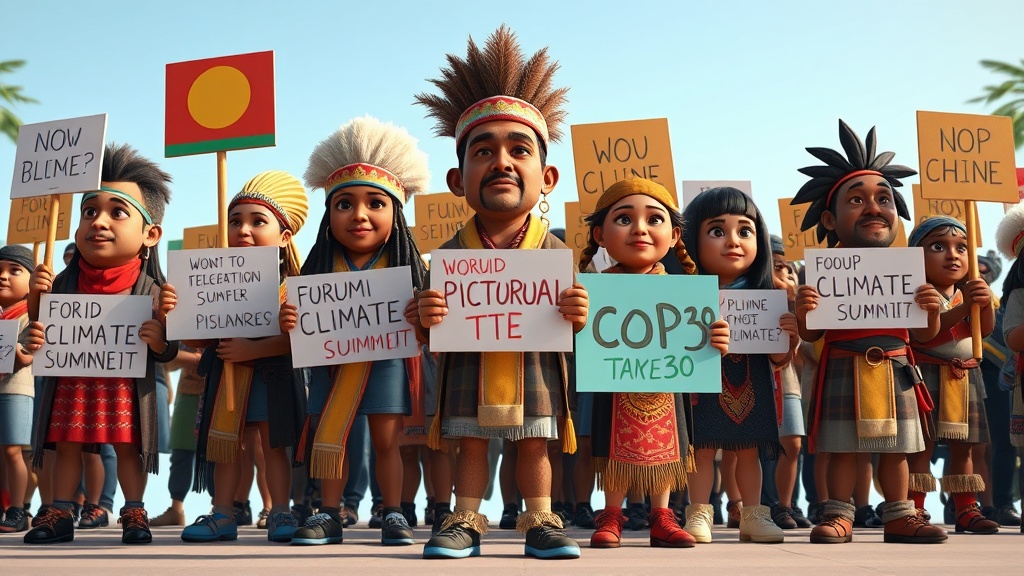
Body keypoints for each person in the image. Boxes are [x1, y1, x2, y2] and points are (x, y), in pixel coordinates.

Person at [411, 26, 589, 560]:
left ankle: (540, 517)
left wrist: (579, 313)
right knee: (470, 442)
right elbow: (427, 330)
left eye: (519, 150)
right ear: (457, 180)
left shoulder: (557, 252)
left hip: (535, 366)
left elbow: (578, 327)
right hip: (470, 364)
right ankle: (465, 516)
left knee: (534, 443)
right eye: (484, 151)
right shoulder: (447, 255)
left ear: (548, 177)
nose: (502, 162)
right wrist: (425, 314)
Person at [791, 120, 947, 544]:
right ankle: (840, 514)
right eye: (857, 200)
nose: (874, 209)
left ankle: (899, 515)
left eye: (884, 199)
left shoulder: (909, 270)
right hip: (844, 361)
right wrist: (804, 311)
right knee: (844, 448)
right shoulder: (822, 271)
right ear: (830, 218)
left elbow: (924, 335)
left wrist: (932, 311)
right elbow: (810, 333)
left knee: (897, 450)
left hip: (896, 364)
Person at [280, 115, 429, 547]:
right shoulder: (317, 270)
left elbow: (430, 331)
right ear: (329, 215)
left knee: (387, 441)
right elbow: (297, 327)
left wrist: (422, 316)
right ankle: (329, 512)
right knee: (333, 440)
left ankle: (393, 510)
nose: (359, 215)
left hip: (386, 363)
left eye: (375, 203)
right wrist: (291, 323)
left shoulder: (406, 268)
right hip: (331, 367)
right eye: (344, 204)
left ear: (396, 213)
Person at [22, 143, 179, 545]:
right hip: (73, 382)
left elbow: (168, 349)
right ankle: (59, 511)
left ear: (150, 234)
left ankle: (134, 511)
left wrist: (160, 336)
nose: (99, 222)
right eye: (89, 211)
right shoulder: (61, 284)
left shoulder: (154, 290)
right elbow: (38, 331)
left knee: (128, 446)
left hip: (126, 385)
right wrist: (34, 316)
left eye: (117, 212)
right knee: (67, 443)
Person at [580, 178, 729, 548]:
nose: (640, 229)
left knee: (667, 446)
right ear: (599, 235)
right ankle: (612, 513)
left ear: (675, 235)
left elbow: (699, 349)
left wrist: (716, 343)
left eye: (655, 219)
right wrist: (575, 318)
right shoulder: (592, 290)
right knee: (613, 446)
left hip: (667, 386)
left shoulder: (686, 294)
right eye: (624, 219)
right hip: (614, 383)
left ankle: (662, 515)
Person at [174, 170, 309, 543]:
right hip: (227, 379)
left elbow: (300, 341)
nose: (243, 230)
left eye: (257, 221)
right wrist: (175, 310)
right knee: (225, 447)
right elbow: (197, 337)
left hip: (271, 380)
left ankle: (280, 510)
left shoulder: (291, 288)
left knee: (273, 447)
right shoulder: (214, 281)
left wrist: (255, 349)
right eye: (235, 221)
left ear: (284, 237)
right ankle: (222, 513)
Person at [678, 187, 796, 544]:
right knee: (701, 449)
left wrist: (789, 337)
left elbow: (778, 360)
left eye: (745, 231)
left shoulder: (769, 296)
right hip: (702, 380)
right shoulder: (682, 295)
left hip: (752, 381)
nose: (733, 241)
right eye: (717, 231)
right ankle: (699, 512)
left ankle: (754, 513)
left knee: (749, 450)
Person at [906, 217, 999, 534]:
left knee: (965, 448)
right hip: (926, 372)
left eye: (961, 247)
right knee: (922, 446)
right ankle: (915, 507)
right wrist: (965, 306)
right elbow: (924, 335)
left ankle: (966, 508)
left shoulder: (966, 292)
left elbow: (983, 332)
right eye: (938, 246)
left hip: (963, 375)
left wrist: (984, 305)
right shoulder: (919, 294)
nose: (953, 255)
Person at [0, 245, 36, 533]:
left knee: (14, 451)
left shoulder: (30, 316)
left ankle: (17, 509)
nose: (3, 277)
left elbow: (24, 357)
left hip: (16, 389)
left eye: (14, 271)